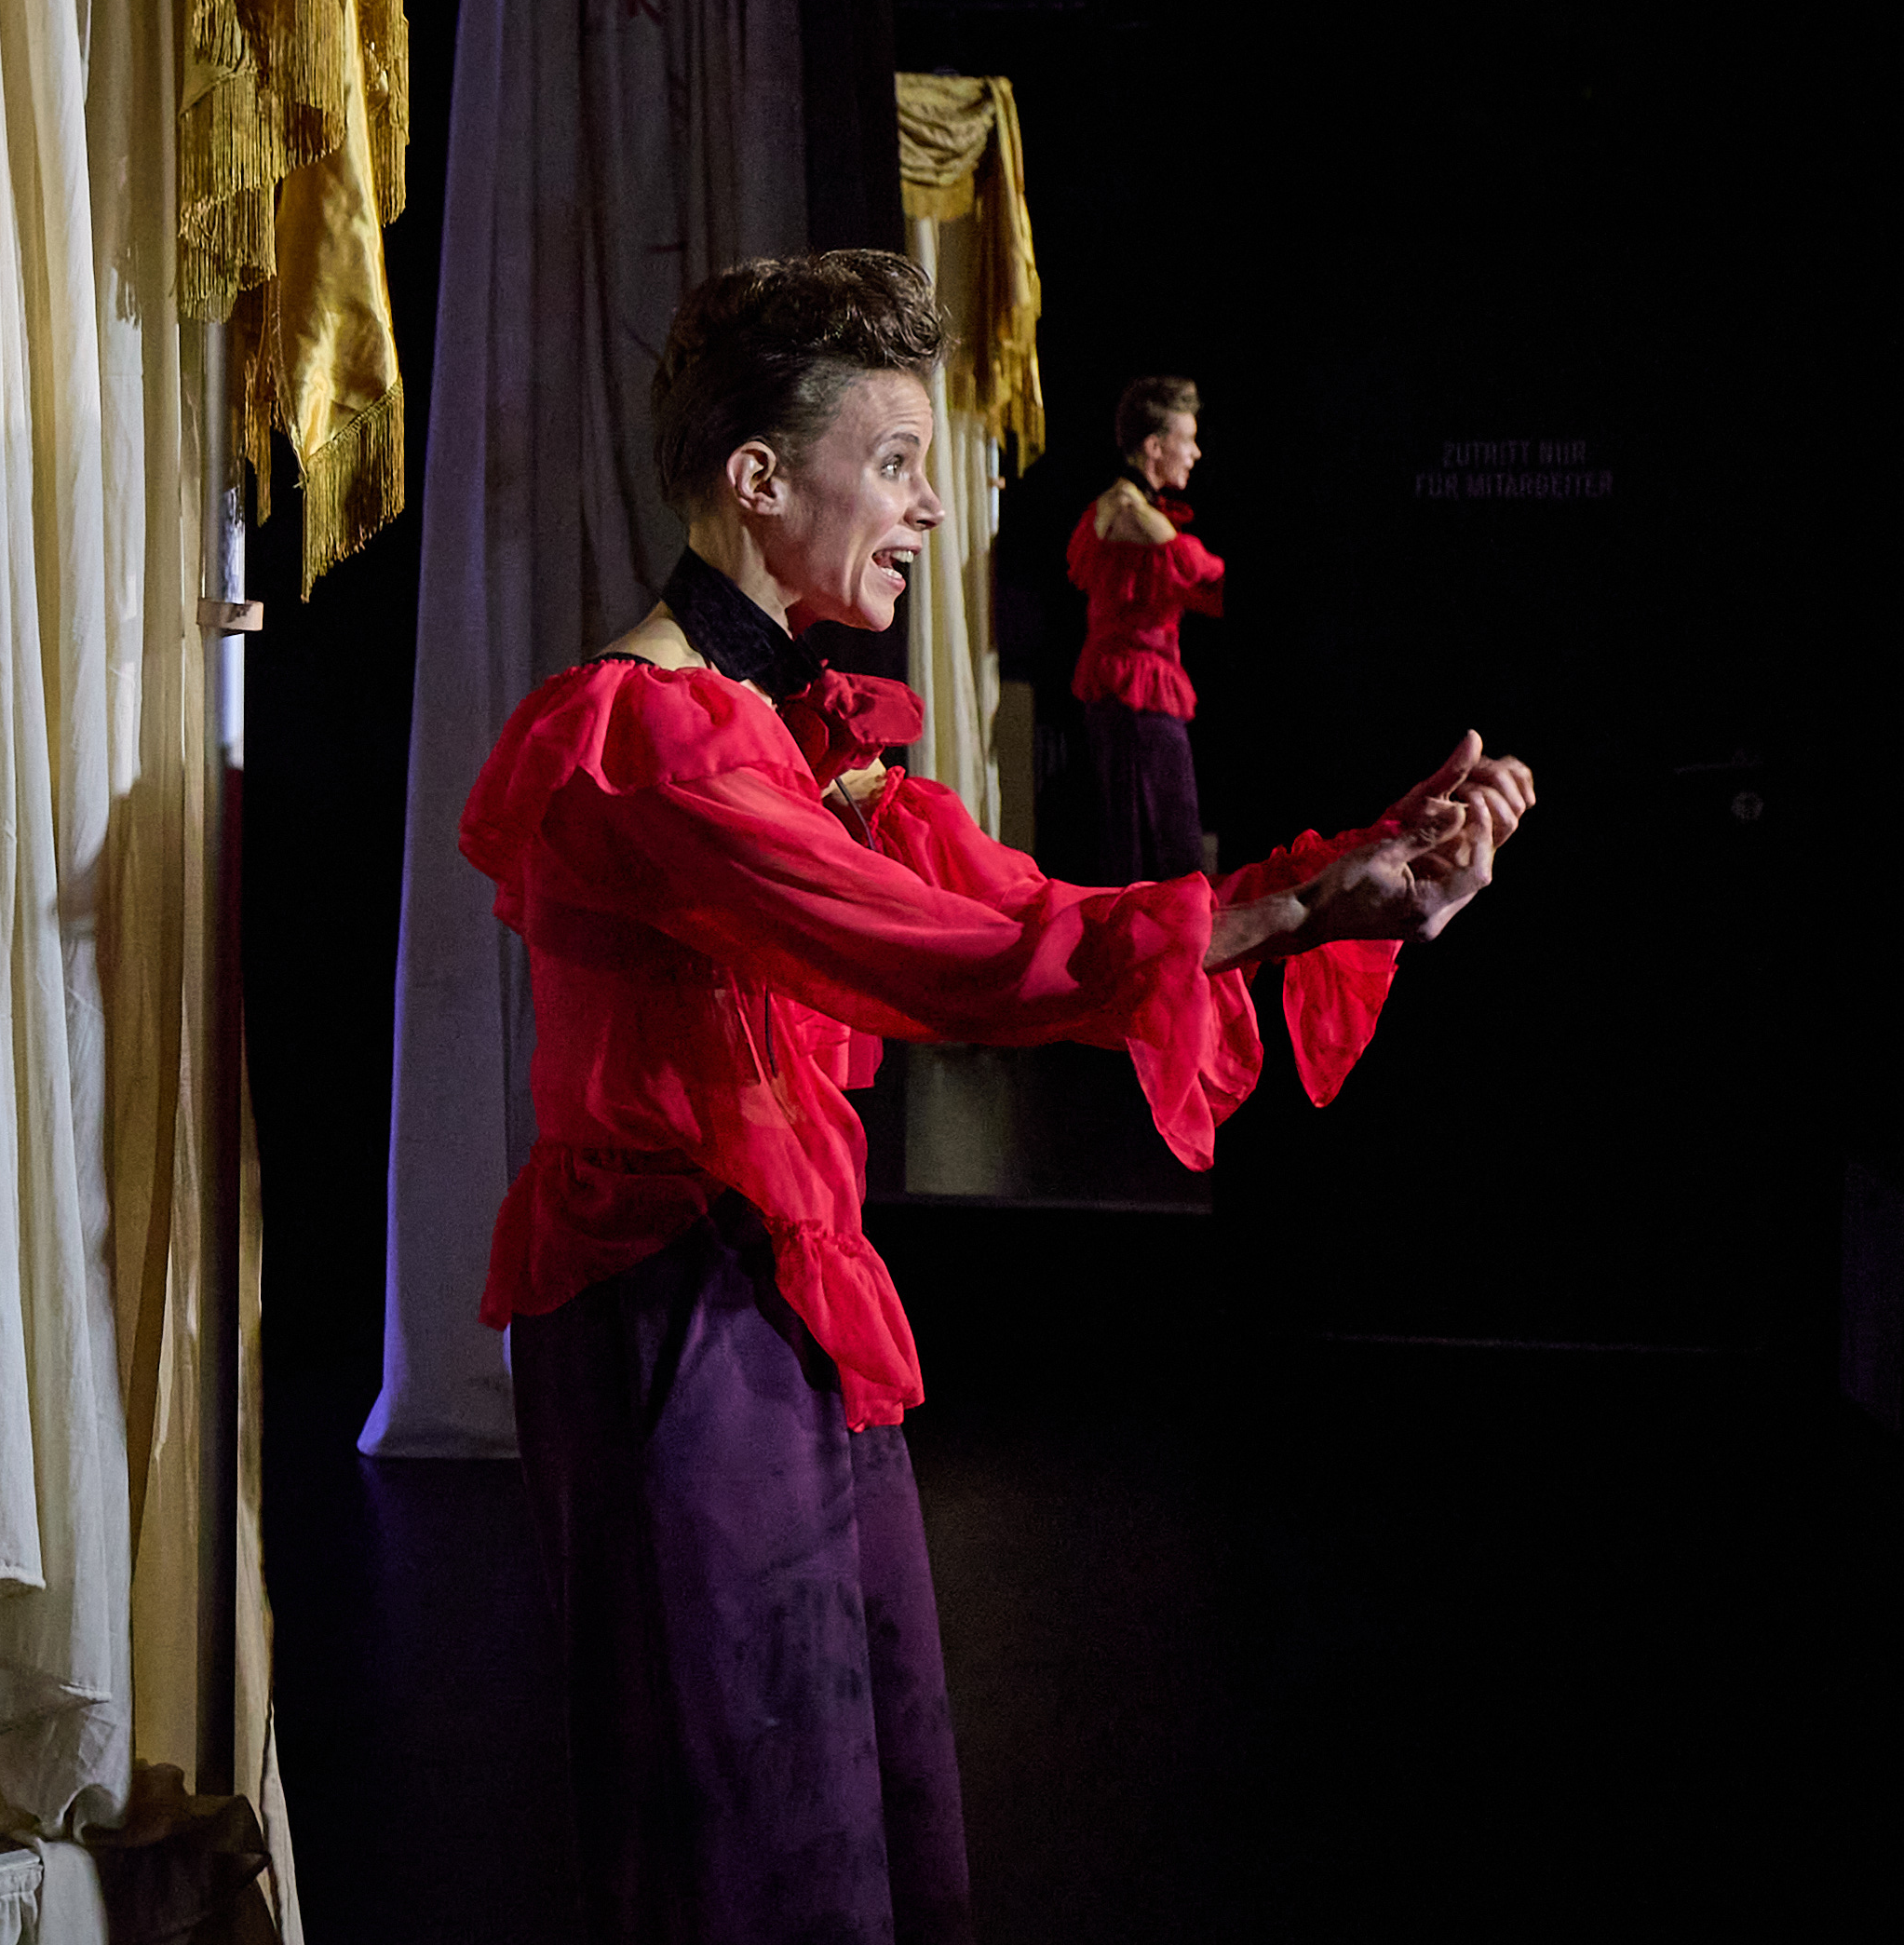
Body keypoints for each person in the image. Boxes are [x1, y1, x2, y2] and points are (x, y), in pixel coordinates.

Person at [466, 254, 1532, 1945]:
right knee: (739, 1823)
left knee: (846, 1792)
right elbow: (962, 965)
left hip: (783, 1308)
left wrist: (1341, 876)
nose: (928, 509)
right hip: (672, 1324)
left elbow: (1035, 912)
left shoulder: (796, 729)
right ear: (759, 476)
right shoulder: (647, 741)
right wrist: (1301, 911)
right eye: (894, 463)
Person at [1069, 374, 1222, 881]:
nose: (1196, 453)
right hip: (1134, 692)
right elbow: (1202, 574)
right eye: (1188, 440)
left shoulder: (1132, 507)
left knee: (1154, 850)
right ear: (1155, 447)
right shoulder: (1128, 510)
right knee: (1159, 854)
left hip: (1137, 691)